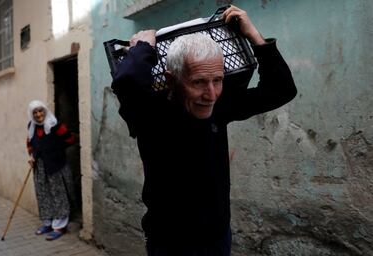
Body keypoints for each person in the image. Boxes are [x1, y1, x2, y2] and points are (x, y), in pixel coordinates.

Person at [111, 5, 297, 255]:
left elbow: (281, 89)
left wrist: (254, 36)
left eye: (217, 80)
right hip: (171, 243)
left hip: (218, 238)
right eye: (198, 82)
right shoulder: (150, 114)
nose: (210, 94)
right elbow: (127, 82)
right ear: (170, 79)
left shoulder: (219, 106)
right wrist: (143, 47)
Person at [26, 100, 75, 241]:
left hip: (56, 165)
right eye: (35, 112)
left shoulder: (55, 125)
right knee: (43, 194)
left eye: (40, 111)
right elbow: (30, 143)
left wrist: (56, 149)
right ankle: (48, 223)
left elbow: (70, 139)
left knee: (58, 194)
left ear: (45, 111)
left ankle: (59, 226)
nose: (38, 114)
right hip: (40, 167)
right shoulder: (31, 126)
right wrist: (32, 156)